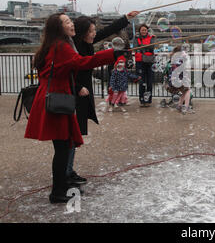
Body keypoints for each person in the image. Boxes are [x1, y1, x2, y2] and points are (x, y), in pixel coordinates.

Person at [24, 13, 124, 204]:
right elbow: (81, 63)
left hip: (55, 95)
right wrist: (111, 55)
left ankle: (62, 185)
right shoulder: (61, 46)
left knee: (63, 145)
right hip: (58, 99)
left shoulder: (55, 44)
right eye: (67, 22)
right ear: (59, 28)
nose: (72, 24)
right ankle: (58, 192)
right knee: (62, 148)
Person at [68, 11, 139, 187]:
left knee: (73, 135)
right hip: (74, 93)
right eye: (91, 31)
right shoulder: (72, 48)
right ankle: (65, 173)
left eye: (94, 30)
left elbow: (108, 31)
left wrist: (126, 18)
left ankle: (68, 171)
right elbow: (67, 71)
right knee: (69, 135)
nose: (94, 33)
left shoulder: (85, 41)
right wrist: (77, 87)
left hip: (82, 93)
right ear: (83, 31)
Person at [165, 46, 195, 115]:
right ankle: (186, 107)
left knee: (184, 91)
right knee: (187, 90)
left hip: (172, 81)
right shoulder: (179, 60)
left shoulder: (173, 59)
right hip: (177, 81)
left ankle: (179, 106)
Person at [133, 24, 156, 107]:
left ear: (147, 31)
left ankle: (148, 100)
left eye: (145, 30)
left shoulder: (152, 37)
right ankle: (142, 100)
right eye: (142, 30)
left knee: (149, 82)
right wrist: (146, 48)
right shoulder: (136, 38)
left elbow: (152, 47)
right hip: (140, 62)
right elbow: (135, 48)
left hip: (149, 62)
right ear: (139, 31)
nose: (144, 31)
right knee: (141, 82)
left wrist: (141, 47)